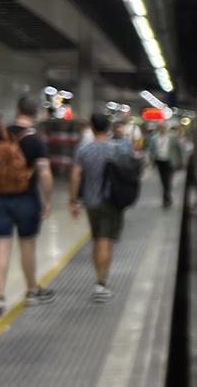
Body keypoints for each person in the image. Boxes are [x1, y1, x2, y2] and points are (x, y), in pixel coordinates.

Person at [0, 97, 55, 317]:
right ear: (36, 113)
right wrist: (47, 200)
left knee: (0, 246)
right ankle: (31, 291)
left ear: (17, 110)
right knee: (27, 245)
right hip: (26, 199)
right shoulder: (36, 140)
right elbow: (45, 173)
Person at [70, 114, 121, 302]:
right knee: (105, 241)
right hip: (112, 201)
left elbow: (75, 176)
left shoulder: (83, 150)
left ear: (91, 128)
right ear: (108, 128)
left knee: (96, 239)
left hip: (91, 202)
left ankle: (98, 279)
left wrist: (73, 201)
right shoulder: (116, 149)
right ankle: (101, 283)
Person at [147, 122, 182, 208]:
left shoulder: (172, 137)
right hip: (159, 161)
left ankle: (166, 198)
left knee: (168, 179)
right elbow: (151, 149)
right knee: (163, 179)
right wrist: (150, 159)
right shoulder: (154, 138)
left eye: (164, 127)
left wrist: (181, 160)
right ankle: (167, 197)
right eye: (161, 127)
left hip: (169, 161)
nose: (162, 129)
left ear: (166, 128)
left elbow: (178, 149)